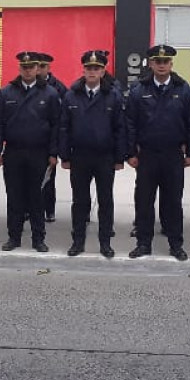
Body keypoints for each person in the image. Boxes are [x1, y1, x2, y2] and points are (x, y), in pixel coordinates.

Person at [126, 45, 190, 260]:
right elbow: (130, 123)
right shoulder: (139, 90)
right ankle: (143, 244)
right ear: (151, 64)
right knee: (144, 201)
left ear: (171, 64)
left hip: (173, 154)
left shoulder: (183, 89)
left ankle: (176, 245)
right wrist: (130, 152)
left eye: (166, 62)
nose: (162, 65)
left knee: (173, 201)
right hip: (147, 155)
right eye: (158, 61)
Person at [58, 50, 126, 259]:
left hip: (104, 157)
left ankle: (105, 243)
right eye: (89, 68)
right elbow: (64, 127)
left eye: (96, 68)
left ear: (103, 71)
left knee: (106, 201)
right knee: (80, 201)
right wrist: (65, 156)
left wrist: (119, 157)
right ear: (83, 70)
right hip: (80, 156)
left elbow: (120, 128)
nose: (92, 72)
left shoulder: (112, 95)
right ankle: (78, 241)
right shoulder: (72, 94)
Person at [0, 51, 62, 252]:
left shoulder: (49, 93)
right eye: (24, 67)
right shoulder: (7, 92)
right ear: (19, 68)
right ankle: (14, 237)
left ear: (37, 68)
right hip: (14, 152)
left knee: (37, 197)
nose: (27, 70)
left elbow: (56, 125)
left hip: (38, 153)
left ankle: (38, 239)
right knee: (14, 196)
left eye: (31, 67)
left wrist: (53, 153)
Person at [36, 52, 68, 223]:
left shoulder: (58, 88)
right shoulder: (29, 86)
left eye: (43, 66)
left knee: (48, 179)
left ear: (49, 68)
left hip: (49, 140)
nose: (39, 70)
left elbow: (62, 117)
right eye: (38, 66)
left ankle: (49, 209)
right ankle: (30, 209)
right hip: (33, 139)